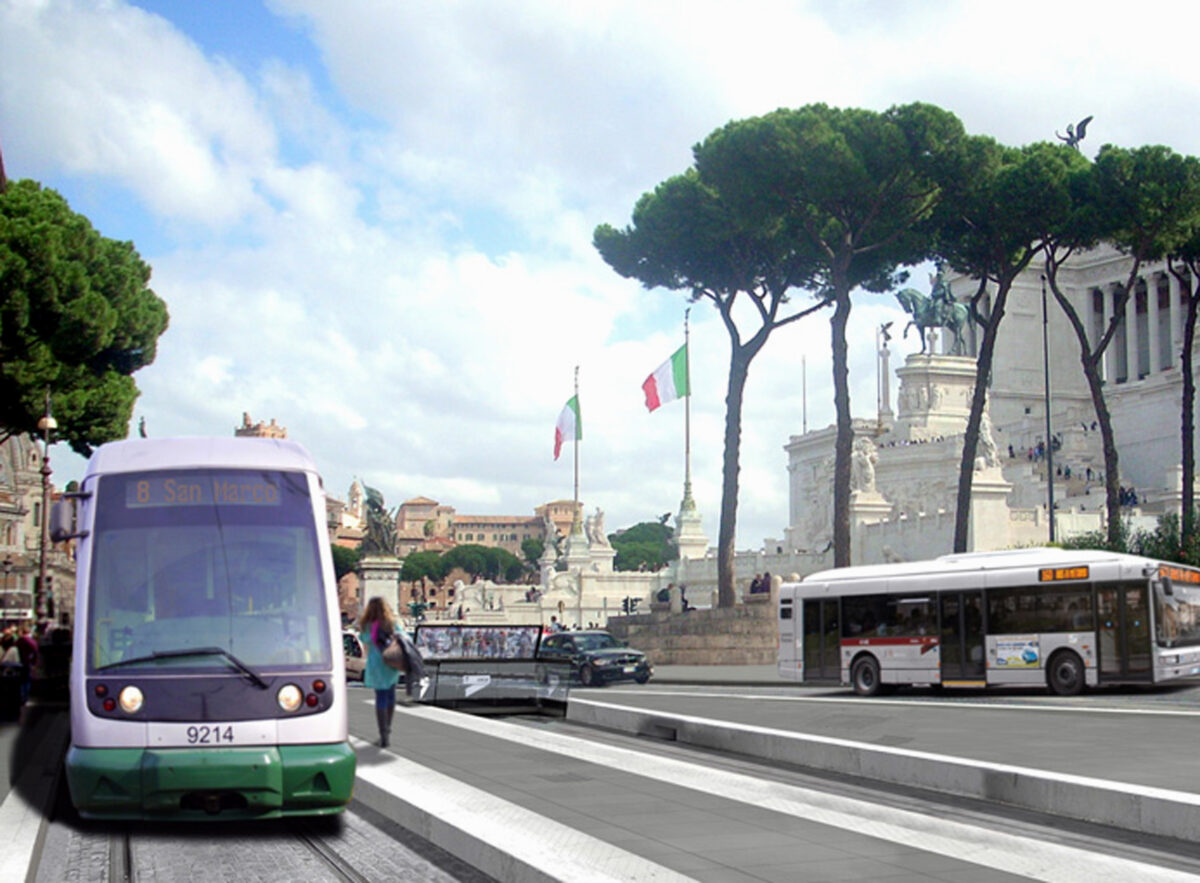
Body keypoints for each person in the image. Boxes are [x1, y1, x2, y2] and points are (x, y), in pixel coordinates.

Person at [357, 597, 401, 747]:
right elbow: (402, 636)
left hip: (376, 663)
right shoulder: (391, 623)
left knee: (380, 697)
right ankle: (388, 728)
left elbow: (364, 639)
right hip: (391, 661)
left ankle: (383, 733)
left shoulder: (367, 625)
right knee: (391, 695)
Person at [16, 626, 38, 704]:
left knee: (21, 681)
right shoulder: (31, 641)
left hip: (19, 662)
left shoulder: (19, 641)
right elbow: (35, 652)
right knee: (27, 681)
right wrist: (34, 663)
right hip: (27, 663)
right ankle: (25, 697)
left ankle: (21, 696)